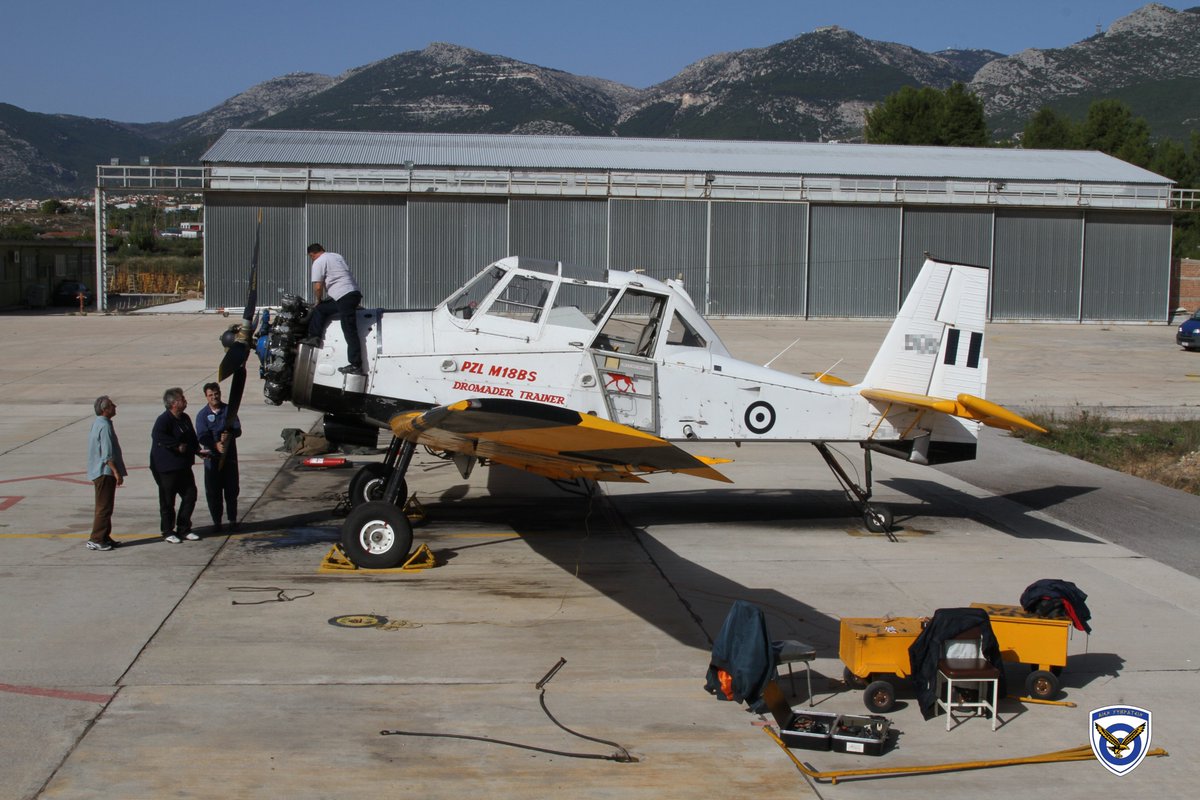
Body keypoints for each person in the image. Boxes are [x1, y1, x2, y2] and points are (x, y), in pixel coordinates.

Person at [304, 243, 364, 376]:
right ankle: (314, 336)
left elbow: (318, 286)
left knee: (349, 330)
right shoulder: (336, 256)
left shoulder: (318, 262)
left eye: (311, 257)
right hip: (352, 294)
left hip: (344, 297)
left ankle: (356, 365)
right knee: (321, 309)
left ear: (312, 254)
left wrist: (318, 300)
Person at [149, 387, 200, 543]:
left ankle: (184, 527)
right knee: (167, 501)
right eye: (182, 399)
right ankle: (167, 530)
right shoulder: (164, 420)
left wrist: (198, 450)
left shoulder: (184, 418)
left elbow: (191, 437)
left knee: (190, 495)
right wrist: (176, 445)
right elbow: (157, 436)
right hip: (167, 468)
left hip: (184, 466)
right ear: (173, 403)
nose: (185, 401)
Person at [195, 382, 241, 532]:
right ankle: (217, 522)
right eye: (211, 395)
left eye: (216, 394)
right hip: (212, 460)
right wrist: (215, 445)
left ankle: (232, 519)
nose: (214, 397)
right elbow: (202, 436)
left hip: (230, 458)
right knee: (213, 492)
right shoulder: (202, 415)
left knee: (232, 490)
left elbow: (238, 429)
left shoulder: (229, 410)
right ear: (206, 397)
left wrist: (230, 435)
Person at [86, 395, 127, 551]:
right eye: (111, 405)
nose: (115, 406)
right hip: (104, 472)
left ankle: (104, 536)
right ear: (105, 409)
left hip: (98, 471)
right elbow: (107, 454)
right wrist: (116, 472)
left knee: (106, 506)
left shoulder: (98, 423)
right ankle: (96, 538)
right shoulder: (105, 426)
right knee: (104, 507)